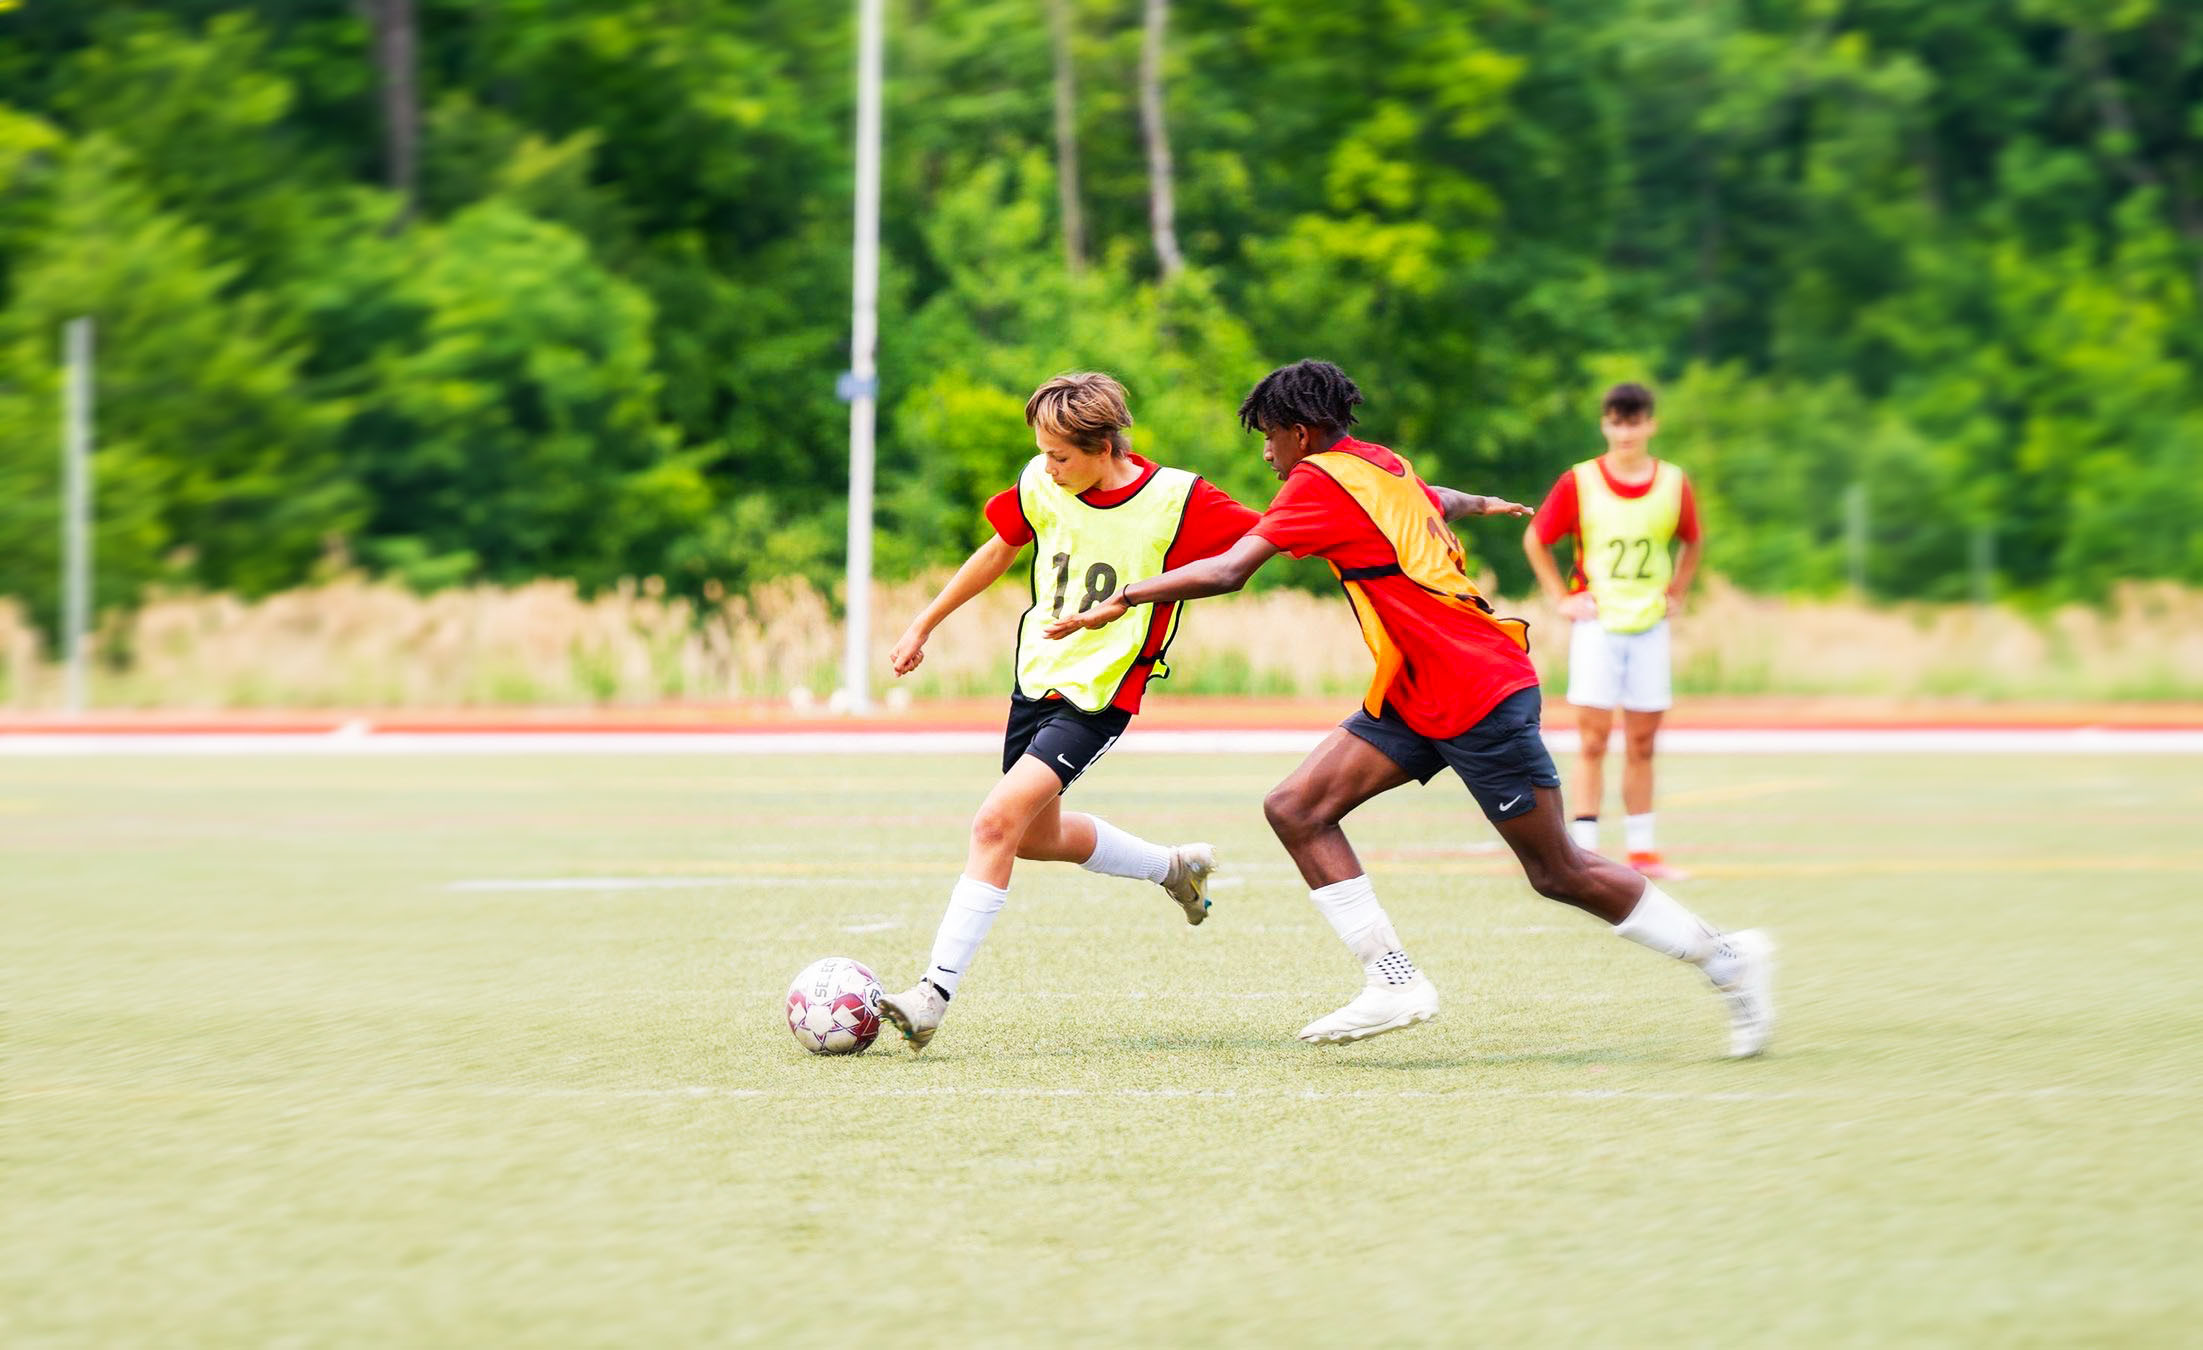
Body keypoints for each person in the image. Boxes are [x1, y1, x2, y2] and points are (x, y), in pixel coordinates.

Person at [1047, 360, 1773, 1057]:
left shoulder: (1315, 481)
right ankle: (1392, 981)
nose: (1265, 452)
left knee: (1558, 871)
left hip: (1476, 689)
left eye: (1267, 435)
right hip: (1416, 690)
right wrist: (1478, 503)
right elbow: (1437, 496)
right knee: (1296, 808)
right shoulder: (1378, 462)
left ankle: (1726, 958)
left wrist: (1128, 595)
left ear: (1299, 431)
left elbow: (1233, 566)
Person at [877, 371, 1260, 1053]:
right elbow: (999, 548)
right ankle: (1174, 868)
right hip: (1036, 678)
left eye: (1061, 457)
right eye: (1042, 453)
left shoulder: (1176, 498)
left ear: (1105, 445)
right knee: (1029, 837)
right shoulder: (1040, 481)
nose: (1047, 469)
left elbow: (1264, 543)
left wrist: (1140, 595)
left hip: (1102, 691)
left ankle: (932, 995)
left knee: (993, 821)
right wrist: (923, 624)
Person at [1523, 381, 1703, 879]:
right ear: (1605, 424)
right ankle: (1583, 848)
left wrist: (1678, 592)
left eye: (1635, 420)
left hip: (1649, 626)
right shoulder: (1580, 481)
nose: (1626, 431)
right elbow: (1537, 538)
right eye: (1617, 421)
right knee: (1594, 740)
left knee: (1643, 741)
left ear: (1651, 424)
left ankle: (1643, 851)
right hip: (1598, 624)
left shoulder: (1672, 481)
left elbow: (1691, 539)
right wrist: (1562, 597)